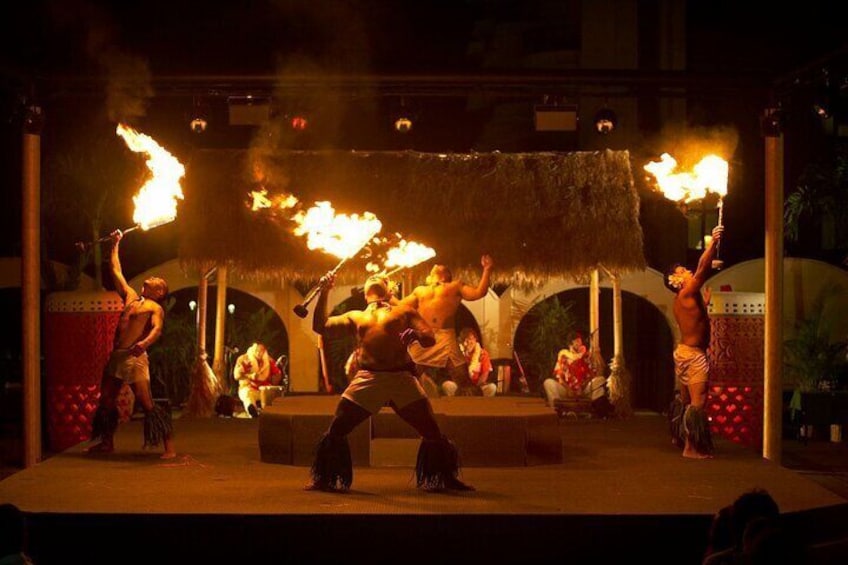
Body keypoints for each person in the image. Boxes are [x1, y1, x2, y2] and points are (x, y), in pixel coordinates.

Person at [306, 273, 474, 493]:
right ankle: (325, 479)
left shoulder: (404, 312)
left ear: (389, 290)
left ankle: (446, 479)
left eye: (381, 278)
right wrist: (325, 292)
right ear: (364, 292)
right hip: (368, 379)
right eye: (371, 276)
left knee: (432, 430)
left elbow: (430, 337)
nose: (375, 277)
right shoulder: (355, 316)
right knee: (337, 428)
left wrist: (415, 334)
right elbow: (321, 326)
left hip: (401, 378)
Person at [86, 229, 176, 459]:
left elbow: (157, 329)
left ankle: (170, 447)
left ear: (159, 291)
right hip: (117, 357)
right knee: (107, 399)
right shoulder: (132, 297)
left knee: (146, 402)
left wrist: (144, 344)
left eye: (158, 281)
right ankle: (107, 442)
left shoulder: (155, 308)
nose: (154, 278)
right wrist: (116, 244)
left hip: (135, 358)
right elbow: (116, 270)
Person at [665, 224, 724, 459]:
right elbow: (702, 268)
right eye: (682, 270)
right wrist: (712, 244)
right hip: (693, 355)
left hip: (683, 351)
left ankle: (678, 437)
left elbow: (695, 322)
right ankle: (691, 448)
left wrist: (706, 305)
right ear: (677, 280)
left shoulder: (685, 298)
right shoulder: (687, 292)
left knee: (686, 399)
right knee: (699, 402)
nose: (688, 271)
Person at [402, 255, 494, 397]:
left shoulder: (455, 286)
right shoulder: (420, 291)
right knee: (406, 375)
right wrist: (388, 294)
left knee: (463, 380)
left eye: (441, 267)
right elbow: (400, 308)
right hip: (423, 336)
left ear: (446, 276)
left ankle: (473, 410)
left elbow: (478, 293)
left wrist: (487, 269)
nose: (437, 265)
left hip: (445, 338)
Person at [543, 332, 607, 408]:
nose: (580, 343)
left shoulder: (586, 356)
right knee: (548, 382)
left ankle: (595, 409)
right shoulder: (563, 355)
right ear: (571, 343)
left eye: (580, 341)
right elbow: (559, 377)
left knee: (600, 380)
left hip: (583, 390)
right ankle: (557, 409)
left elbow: (591, 375)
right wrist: (569, 390)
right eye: (577, 341)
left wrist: (582, 388)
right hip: (567, 390)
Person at [233, 342, 282, 417]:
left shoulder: (269, 361)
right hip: (248, 388)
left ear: (264, 351)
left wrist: (272, 379)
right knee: (247, 396)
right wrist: (250, 376)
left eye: (261, 351)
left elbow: (277, 374)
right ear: (253, 350)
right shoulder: (244, 359)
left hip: (263, 390)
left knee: (272, 393)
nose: (259, 353)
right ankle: (252, 411)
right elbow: (236, 376)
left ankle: (270, 416)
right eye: (257, 351)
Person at [456, 327, 496, 397]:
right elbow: (456, 374)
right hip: (462, 387)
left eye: (470, 339)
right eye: (465, 340)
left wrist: (475, 388)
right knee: (448, 385)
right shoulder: (458, 354)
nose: (468, 342)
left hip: (478, 387)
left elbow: (485, 374)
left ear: (475, 340)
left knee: (492, 387)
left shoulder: (483, 354)